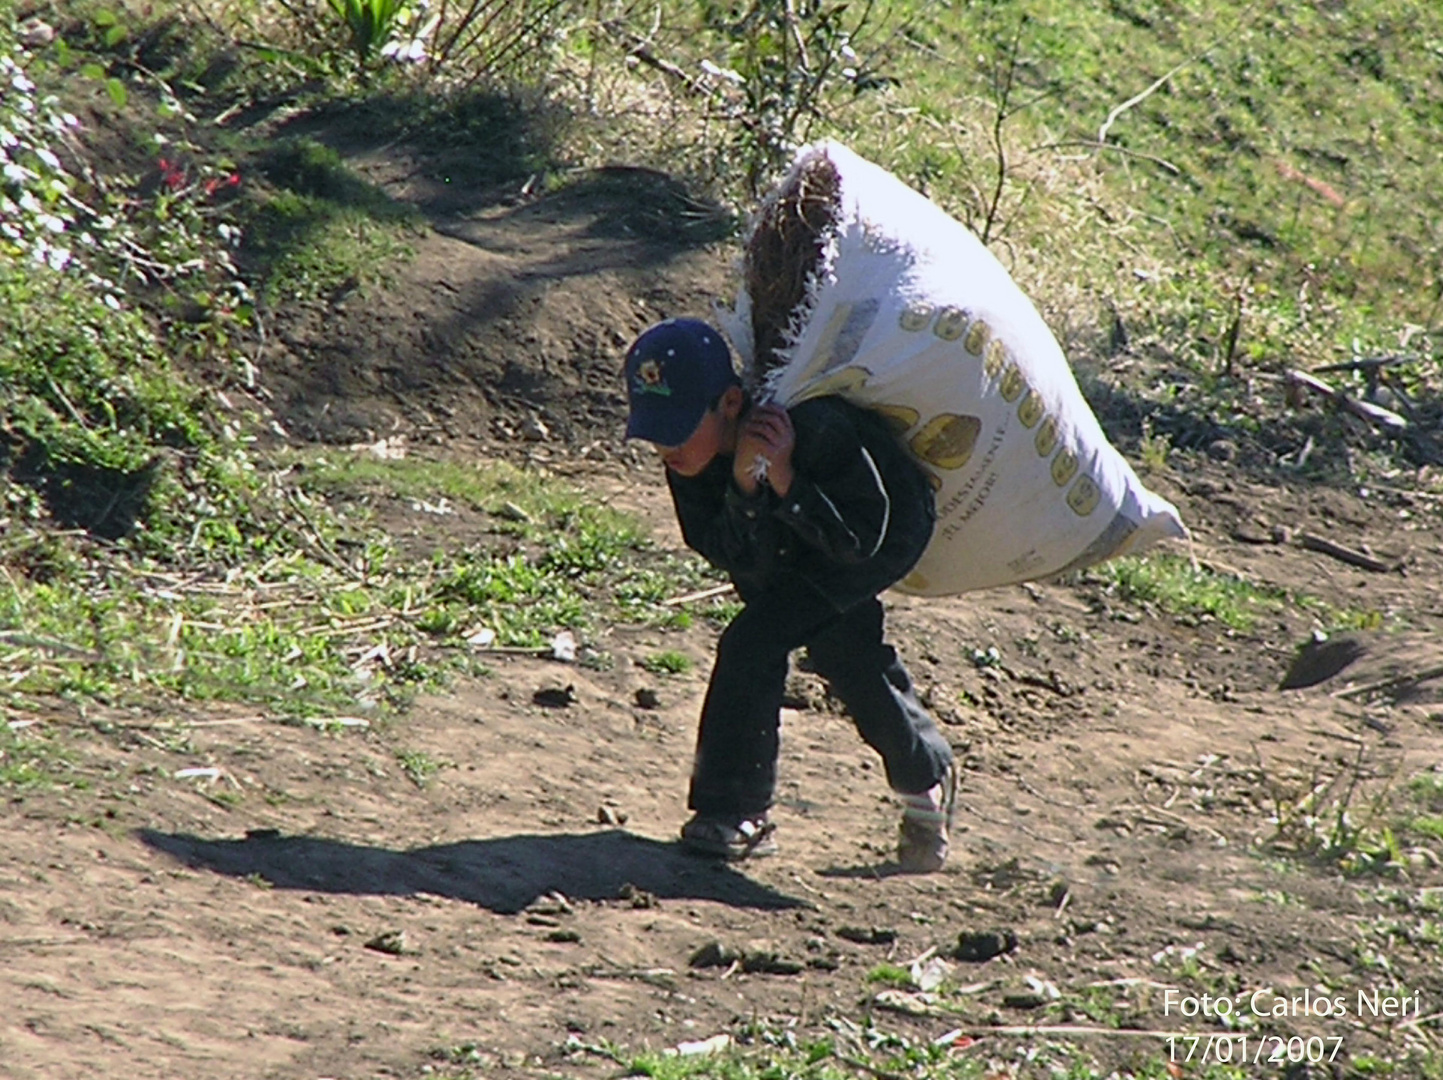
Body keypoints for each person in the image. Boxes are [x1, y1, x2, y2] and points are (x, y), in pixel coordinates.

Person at [622, 317, 958, 872]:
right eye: (655, 430)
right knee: (839, 651)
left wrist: (784, 477)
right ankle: (927, 776)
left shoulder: (813, 427)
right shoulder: (688, 460)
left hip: (879, 530)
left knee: (758, 643)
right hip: (786, 543)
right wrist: (747, 488)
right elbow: (728, 552)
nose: (666, 446)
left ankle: (736, 813)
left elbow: (857, 539)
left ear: (730, 403)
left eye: (678, 427)